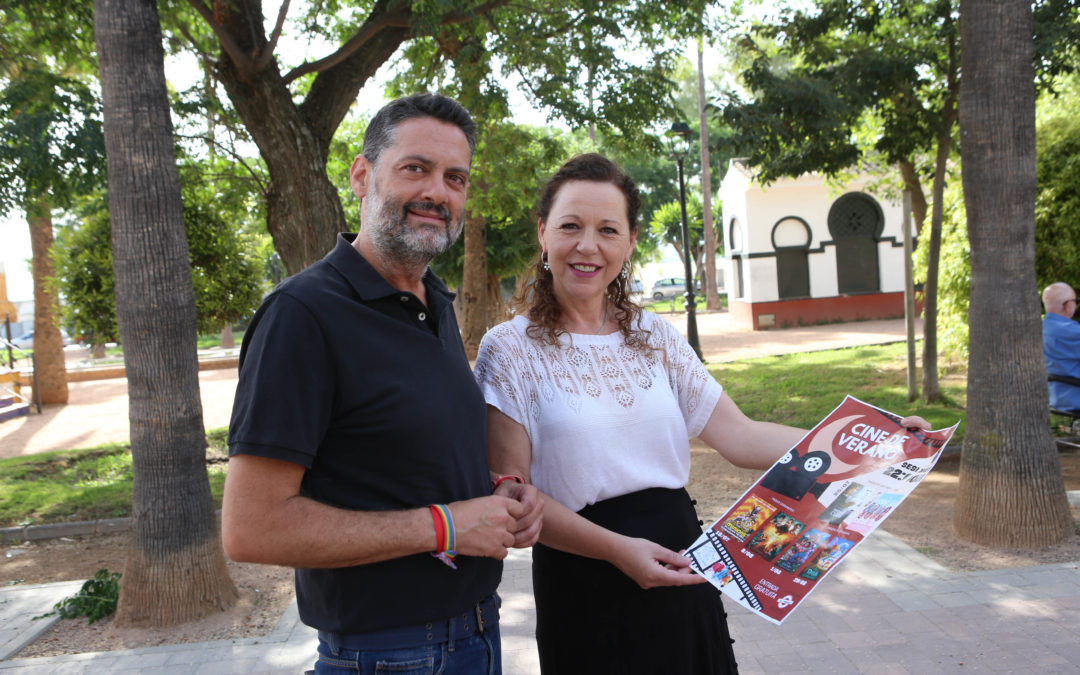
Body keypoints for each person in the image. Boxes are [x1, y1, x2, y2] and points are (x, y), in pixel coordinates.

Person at [474, 153, 928, 673]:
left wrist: (874, 445)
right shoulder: (508, 350)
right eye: (570, 226)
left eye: (607, 229)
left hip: (682, 563)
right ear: (542, 232)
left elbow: (739, 435)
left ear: (631, 240)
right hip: (585, 575)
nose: (587, 246)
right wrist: (618, 550)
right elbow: (515, 497)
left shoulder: (655, 336)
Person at [222, 93, 542, 675]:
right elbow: (251, 529)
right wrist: (445, 526)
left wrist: (498, 491)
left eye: (455, 178)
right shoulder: (302, 314)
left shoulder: (434, 302)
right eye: (415, 168)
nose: (438, 193)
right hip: (388, 656)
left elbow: (398, 454)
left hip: (477, 634)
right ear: (362, 176)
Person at [1042, 281, 1080, 413]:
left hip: (1055, 398)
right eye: (1076, 301)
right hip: (1075, 398)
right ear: (1068, 305)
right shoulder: (1073, 333)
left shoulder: (1038, 329)